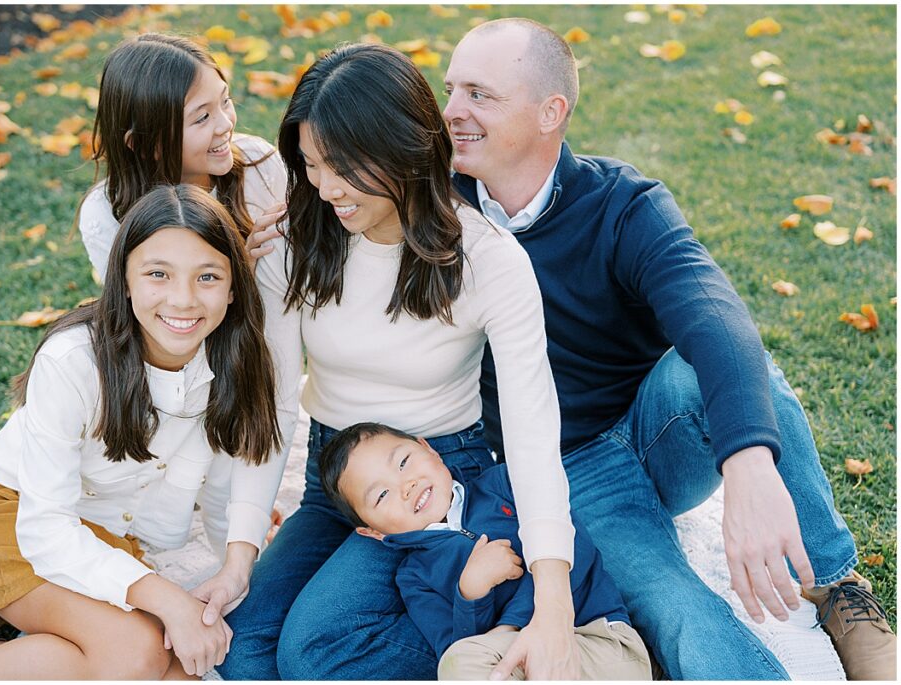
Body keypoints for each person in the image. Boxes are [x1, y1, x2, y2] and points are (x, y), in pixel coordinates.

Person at [442, 17, 896, 680]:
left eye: (478, 94)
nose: (451, 110)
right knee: (679, 612)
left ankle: (835, 583)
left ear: (550, 112)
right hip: (566, 468)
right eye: (451, 89)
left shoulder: (623, 202)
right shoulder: (431, 207)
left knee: (721, 367)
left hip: (660, 428)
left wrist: (748, 462)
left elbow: (716, 316)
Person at [219, 43, 580, 680]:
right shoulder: (294, 246)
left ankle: (496, 635)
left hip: (434, 482)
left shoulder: (487, 259)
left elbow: (530, 428)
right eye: (309, 165)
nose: (325, 188)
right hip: (332, 481)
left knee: (315, 654)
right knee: (243, 649)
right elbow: (271, 406)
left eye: (342, 168)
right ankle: (471, 622)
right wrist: (239, 554)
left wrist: (554, 601)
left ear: (403, 149)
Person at [0, 185, 284, 680]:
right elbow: (45, 529)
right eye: (158, 274)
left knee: (174, 663)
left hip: (107, 531)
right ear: (126, 280)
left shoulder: (239, 354)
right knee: (139, 652)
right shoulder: (73, 361)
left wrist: (233, 569)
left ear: (234, 286)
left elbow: (238, 471)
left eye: (208, 277)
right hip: (13, 521)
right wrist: (167, 599)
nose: (183, 298)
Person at [319, 422, 653, 681]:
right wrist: (471, 593)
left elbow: (573, 548)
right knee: (459, 665)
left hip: (599, 642)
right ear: (371, 531)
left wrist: (510, 626)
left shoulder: (505, 484)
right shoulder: (415, 578)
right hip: (519, 667)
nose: (406, 486)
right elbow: (458, 650)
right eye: (381, 496)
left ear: (428, 448)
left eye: (404, 462)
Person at [77, 33, 286, 280]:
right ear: (145, 144)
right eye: (201, 118)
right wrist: (243, 271)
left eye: (225, 100)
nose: (225, 125)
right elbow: (140, 314)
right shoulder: (105, 214)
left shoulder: (259, 164)